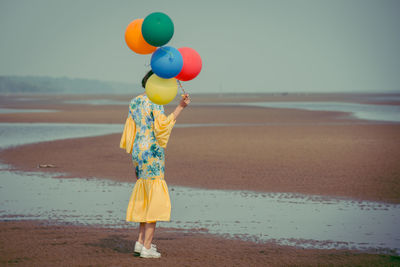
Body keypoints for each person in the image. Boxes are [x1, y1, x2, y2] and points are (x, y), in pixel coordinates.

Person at [120, 70, 191, 258]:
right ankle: (147, 247)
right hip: (152, 151)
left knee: (145, 194)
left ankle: (140, 242)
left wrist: (135, 161)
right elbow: (162, 127)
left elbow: (131, 130)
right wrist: (181, 107)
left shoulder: (134, 102)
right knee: (153, 198)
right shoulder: (156, 101)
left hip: (138, 150)